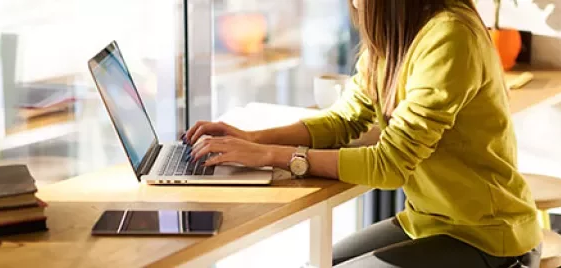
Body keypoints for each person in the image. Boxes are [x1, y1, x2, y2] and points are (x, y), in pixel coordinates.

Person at [186, 0, 542, 267]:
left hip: (488, 237)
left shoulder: (450, 36)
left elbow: (389, 164)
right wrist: (252, 139)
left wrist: (273, 157)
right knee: (317, 263)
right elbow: (345, 119)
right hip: (427, 222)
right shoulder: (397, 32)